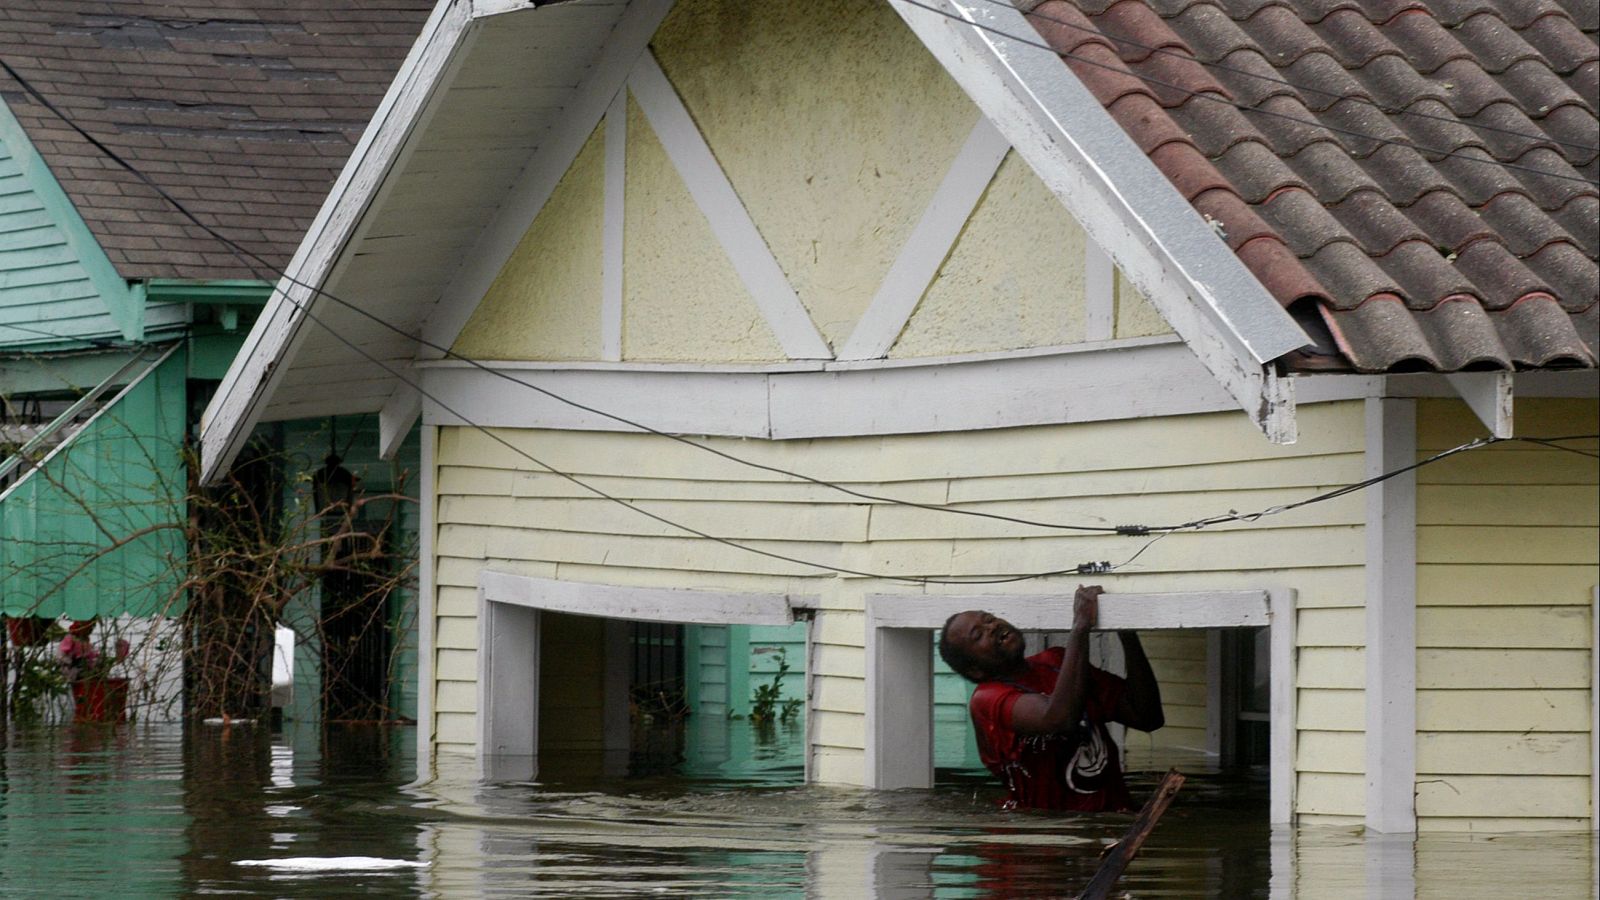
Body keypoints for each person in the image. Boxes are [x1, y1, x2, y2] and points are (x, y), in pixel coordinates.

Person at [938, 585, 1164, 811]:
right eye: (978, 635)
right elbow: (1058, 719)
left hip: (1113, 824)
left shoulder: (1057, 662)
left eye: (989, 618)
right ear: (975, 670)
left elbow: (1147, 717)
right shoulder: (986, 701)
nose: (993, 626)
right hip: (1046, 839)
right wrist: (1080, 626)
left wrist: (1127, 632)